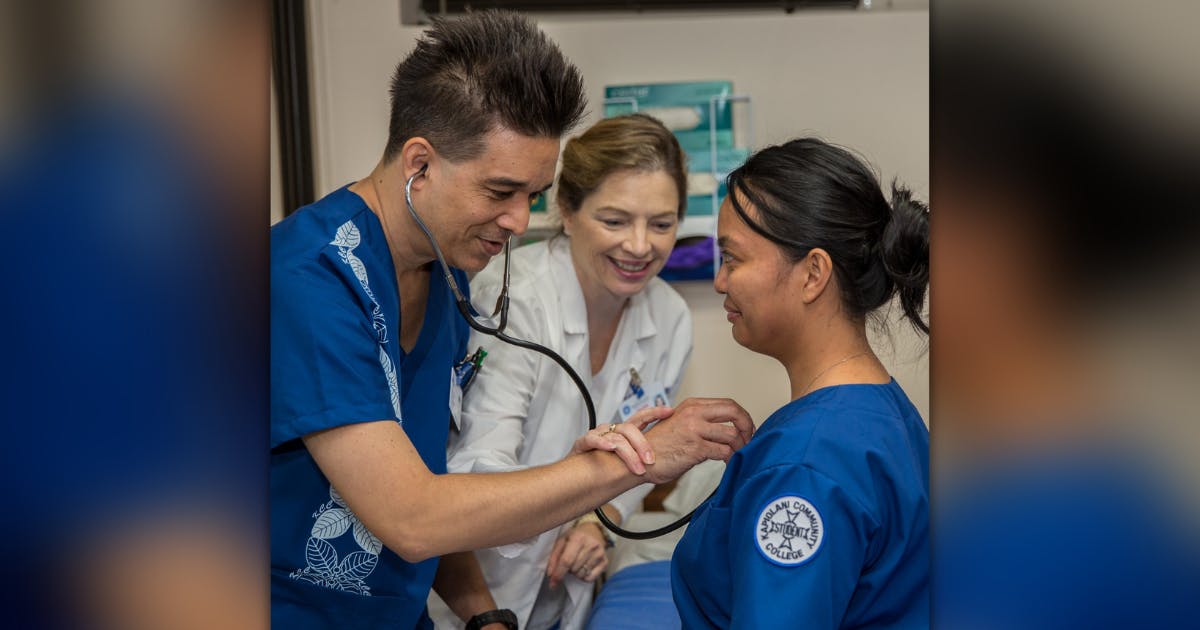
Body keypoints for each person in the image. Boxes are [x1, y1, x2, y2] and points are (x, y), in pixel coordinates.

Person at [270, 12, 754, 630]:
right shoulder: (310, 278)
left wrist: (484, 616)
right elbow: (412, 517)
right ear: (420, 163)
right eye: (500, 192)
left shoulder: (448, 281)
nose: (521, 222)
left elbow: (433, 486)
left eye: (533, 195)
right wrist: (634, 460)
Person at [429, 114, 692, 630]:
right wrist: (584, 484)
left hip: (566, 597)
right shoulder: (514, 305)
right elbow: (479, 472)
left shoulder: (670, 318)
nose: (640, 246)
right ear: (567, 212)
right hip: (474, 599)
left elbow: (643, 459)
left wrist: (601, 523)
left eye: (662, 224)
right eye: (615, 221)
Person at [671, 138, 930, 628]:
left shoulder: (805, 465)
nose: (720, 282)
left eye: (733, 259)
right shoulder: (885, 410)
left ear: (813, 273)